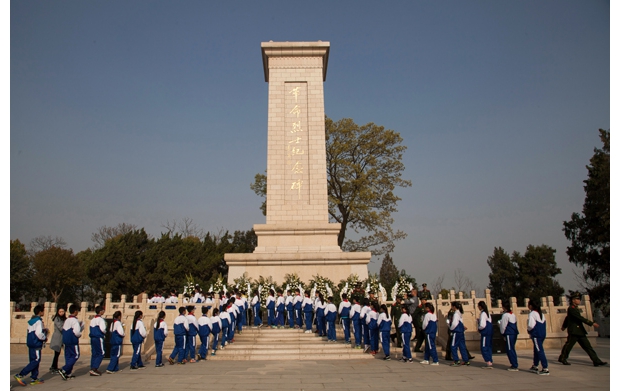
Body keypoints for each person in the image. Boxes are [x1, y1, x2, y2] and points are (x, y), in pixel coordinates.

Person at [558, 292, 607, 367]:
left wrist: (564, 326)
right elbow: (579, 318)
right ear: (573, 300)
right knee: (568, 346)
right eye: (577, 299)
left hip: (580, 331)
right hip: (574, 331)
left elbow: (568, 318)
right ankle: (563, 358)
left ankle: (596, 360)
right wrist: (591, 323)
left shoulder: (575, 308)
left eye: (579, 299)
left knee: (588, 347)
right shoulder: (571, 309)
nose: (579, 300)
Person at [14, 304, 48, 386]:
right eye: (43, 311)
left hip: (30, 342)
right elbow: (39, 333)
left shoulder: (31, 320)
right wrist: (44, 337)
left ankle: (34, 378)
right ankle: (21, 375)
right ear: (40, 312)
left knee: (33, 360)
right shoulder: (39, 321)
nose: (44, 312)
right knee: (36, 360)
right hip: (36, 343)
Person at [58, 304, 83, 380]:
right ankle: (64, 369)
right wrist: (80, 333)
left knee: (68, 357)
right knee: (75, 355)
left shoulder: (67, 320)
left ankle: (68, 373)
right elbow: (77, 332)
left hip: (66, 341)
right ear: (75, 312)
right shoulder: (75, 321)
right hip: (72, 341)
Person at [527, 299, 549, 375]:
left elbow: (531, 325)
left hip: (536, 334)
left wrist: (529, 331)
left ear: (531, 306)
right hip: (542, 333)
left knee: (539, 350)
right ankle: (535, 365)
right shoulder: (541, 313)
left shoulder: (532, 313)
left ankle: (545, 368)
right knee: (537, 349)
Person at [449, 301, 470, 367]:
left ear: (454, 307)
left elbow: (455, 323)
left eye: (452, 306)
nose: (451, 307)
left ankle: (456, 360)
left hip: (456, 332)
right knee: (462, 346)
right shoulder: (460, 313)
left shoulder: (456, 314)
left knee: (453, 346)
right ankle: (466, 360)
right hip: (461, 332)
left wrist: (451, 328)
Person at [500, 302, 519, 371]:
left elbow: (503, 326)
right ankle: (514, 363)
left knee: (510, 349)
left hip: (509, 334)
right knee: (511, 348)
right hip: (514, 333)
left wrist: (502, 333)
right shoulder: (513, 314)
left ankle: (514, 365)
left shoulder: (505, 315)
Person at [89, 306, 106, 376]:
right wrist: (105, 332)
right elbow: (103, 329)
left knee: (94, 353)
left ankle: (92, 367)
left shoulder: (93, 319)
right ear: (101, 311)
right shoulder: (101, 320)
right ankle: (94, 368)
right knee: (101, 353)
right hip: (98, 337)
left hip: (93, 337)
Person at [49, 306, 66, 374]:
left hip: (61, 338)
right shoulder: (57, 319)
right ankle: (53, 367)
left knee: (57, 354)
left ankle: (54, 366)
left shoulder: (64, 319)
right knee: (56, 353)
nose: (61, 313)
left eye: (63, 311)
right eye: (60, 312)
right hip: (57, 338)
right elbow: (60, 328)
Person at [477, 301, 494, 369]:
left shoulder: (483, 313)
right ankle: (490, 360)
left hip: (485, 332)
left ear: (480, 306)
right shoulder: (487, 313)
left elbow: (482, 325)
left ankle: (488, 361)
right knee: (489, 346)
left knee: (484, 347)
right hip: (489, 332)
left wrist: (479, 328)